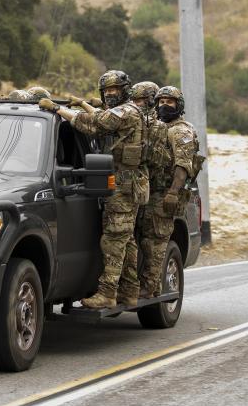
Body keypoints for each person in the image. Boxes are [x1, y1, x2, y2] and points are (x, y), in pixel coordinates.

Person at [39, 70, 149, 309]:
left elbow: (94, 125)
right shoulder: (127, 111)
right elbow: (102, 116)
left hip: (123, 186)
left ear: (125, 90)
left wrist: (58, 110)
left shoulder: (126, 111)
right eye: (107, 90)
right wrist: (83, 105)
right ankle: (130, 291)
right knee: (126, 240)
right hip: (126, 183)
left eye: (114, 90)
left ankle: (108, 293)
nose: (110, 94)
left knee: (112, 241)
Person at [138, 85, 200, 299]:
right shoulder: (157, 126)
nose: (164, 105)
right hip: (151, 192)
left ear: (178, 105)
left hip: (165, 193)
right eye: (161, 102)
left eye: (169, 102)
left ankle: (151, 287)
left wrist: (173, 192)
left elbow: (183, 166)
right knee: (146, 239)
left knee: (156, 242)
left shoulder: (181, 130)